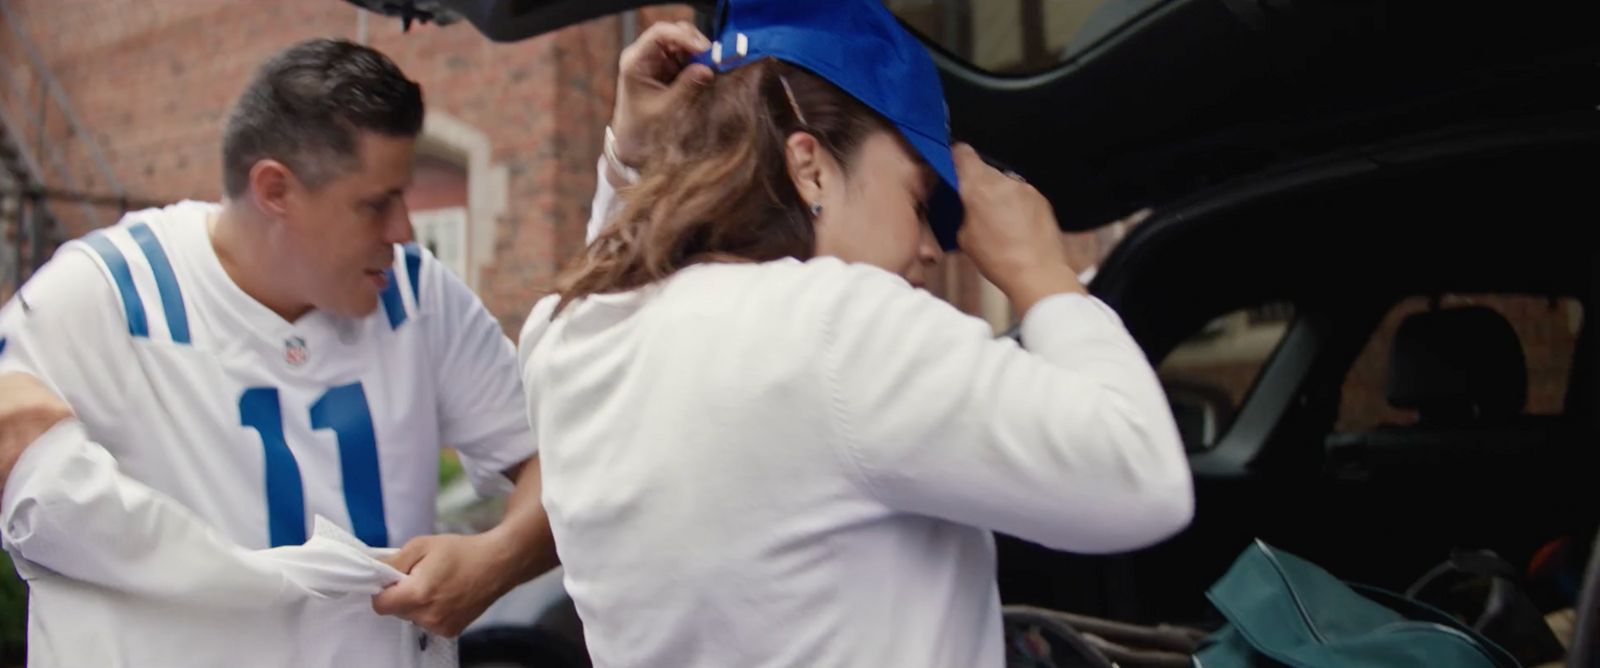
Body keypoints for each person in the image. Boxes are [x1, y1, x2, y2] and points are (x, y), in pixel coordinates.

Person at [517, 0, 1196, 666]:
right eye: (918, 199)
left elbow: (615, 269)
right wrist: (1040, 271)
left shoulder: (560, 337)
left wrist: (627, 159)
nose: (933, 248)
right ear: (810, 165)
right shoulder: (834, 326)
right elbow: (1143, 479)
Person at [0, 39, 555, 667]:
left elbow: (560, 462)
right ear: (274, 190)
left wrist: (499, 557)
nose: (403, 230)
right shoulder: (103, 294)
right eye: (376, 204)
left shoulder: (419, 293)